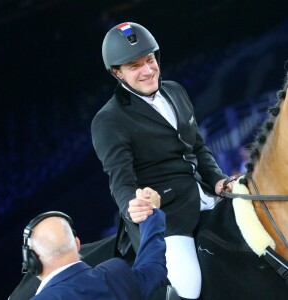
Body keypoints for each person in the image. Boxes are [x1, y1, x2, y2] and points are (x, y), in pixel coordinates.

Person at [91, 22, 235, 300]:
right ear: (116, 72)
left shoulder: (175, 91)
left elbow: (198, 146)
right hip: (169, 217)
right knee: (188, 288)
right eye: (134, 66)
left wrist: (217, 179)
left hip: (205, 195)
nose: (148, 70)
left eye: (150, 60)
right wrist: (133, 205)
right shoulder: (108, 120)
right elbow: (121, 182)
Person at [17, 190, 167, 300]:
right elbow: (153, 267)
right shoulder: (115, 274)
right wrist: (150, 212)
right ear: (77, 243)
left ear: (32, 258)